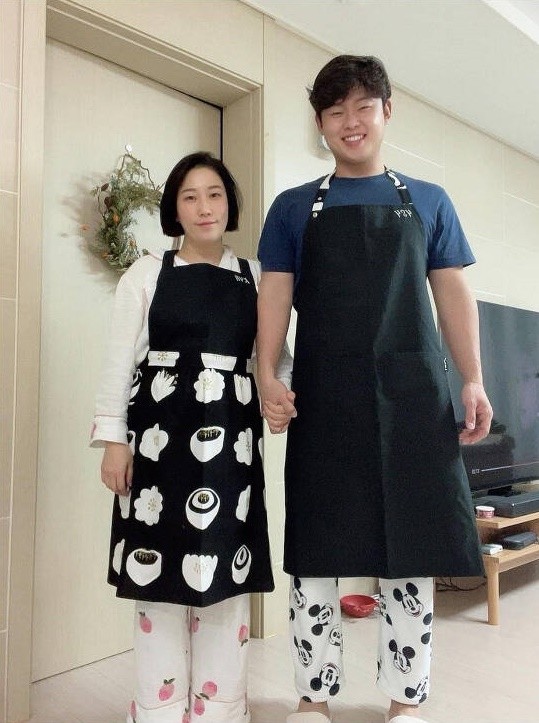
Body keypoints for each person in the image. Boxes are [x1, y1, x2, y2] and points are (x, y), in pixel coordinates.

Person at [256, 55, 493, 723]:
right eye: (335, 111)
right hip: (324, 397)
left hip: (412, 397)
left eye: (363, 106)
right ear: (320, 124)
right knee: (315, 545)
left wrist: (472, 378)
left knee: (410, 545)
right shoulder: (293, 207)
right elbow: (274, 295)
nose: (350, 121)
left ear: (387, 111)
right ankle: (312, 698)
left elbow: (453, 295)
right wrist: (266, 372)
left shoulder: (428, 200)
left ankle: (404, 701)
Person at [91, 151, 291, 723]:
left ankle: (220, 711)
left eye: (215, 194)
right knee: (157, 582)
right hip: (156, 445)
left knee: (224, 577)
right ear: (174, 210)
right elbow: (118, 366)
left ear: (230, 204)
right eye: (190, 196)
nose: (204, 207)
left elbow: (274, 358)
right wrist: (114, 441)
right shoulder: (145, 274)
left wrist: (279, 397)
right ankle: (158, 710)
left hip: (231, 448)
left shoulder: (256, 276)